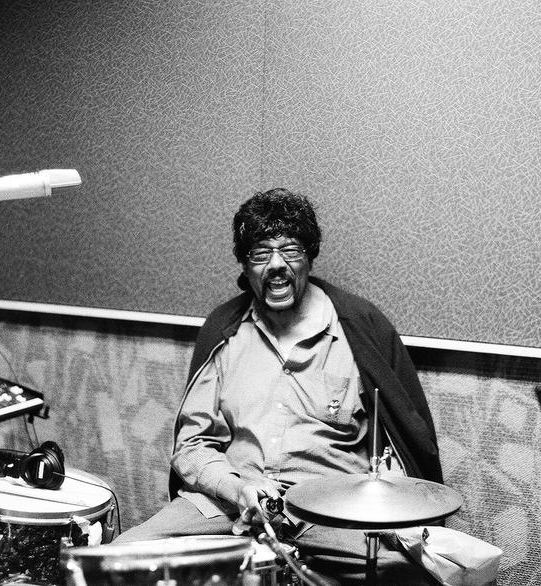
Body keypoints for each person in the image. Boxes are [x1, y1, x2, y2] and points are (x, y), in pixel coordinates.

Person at [116, 188, 443, 584]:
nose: (276, 265)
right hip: (230, 504)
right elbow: (192, 445)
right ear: (244, 264)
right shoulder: (225, 331)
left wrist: (381, 501)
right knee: (121, 560)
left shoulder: (360, 328)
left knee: (413, 579)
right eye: (260, 253)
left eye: (290, 250)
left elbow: (401, 450)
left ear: (309, 256)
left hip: (329, 515)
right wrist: (236, 488)